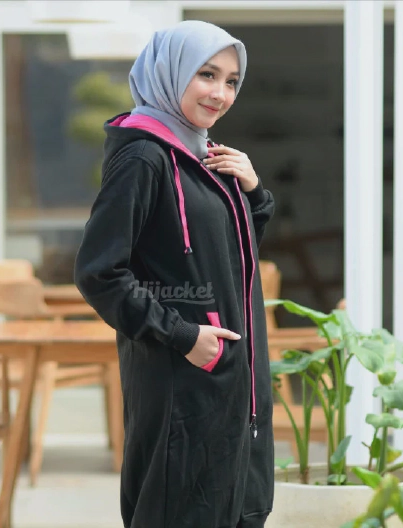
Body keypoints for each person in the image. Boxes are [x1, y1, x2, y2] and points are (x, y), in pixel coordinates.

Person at [75, 20, 275, 528]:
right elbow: (99, 272)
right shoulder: (144, 157)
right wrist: (182, 334)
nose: (220, 93)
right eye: (207, 74)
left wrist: (253, 194)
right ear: (170, 72)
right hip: (181, 387)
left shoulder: (203, 156)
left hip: (233, 386)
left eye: (231, 80)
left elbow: (223, 258)